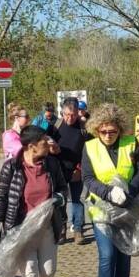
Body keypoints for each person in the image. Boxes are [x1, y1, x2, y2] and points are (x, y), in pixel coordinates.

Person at [0, 125, 68, 277]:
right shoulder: (11, 167)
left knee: (48, 270)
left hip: (47, 225)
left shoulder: (51, 164)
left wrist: (61, 198)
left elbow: (62, 186)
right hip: (21, 228)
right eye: (44, 141)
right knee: (29, 271)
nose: (48, 143)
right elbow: (1, 197)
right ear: (32, 146)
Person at [81, 104, 139, 277]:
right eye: (103, 132)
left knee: (124, 256)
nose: (108, 136)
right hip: (101, 209)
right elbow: (88, 179)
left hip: (126, 208)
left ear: (120, 129)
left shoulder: (131, 144)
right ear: (96, 130)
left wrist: (130, 192)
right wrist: (110, 193)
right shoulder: (90, 147)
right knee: (107, 256)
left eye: (113, 131)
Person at [57, 96, 91, 244]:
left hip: (77, 170)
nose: (70, 118)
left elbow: (89, 151)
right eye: (67, 115)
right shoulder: (55, 127)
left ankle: (78, 230)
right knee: (61, 201)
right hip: (59, 170)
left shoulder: (84, 129)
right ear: (62, 113)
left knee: (77, 200)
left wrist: (80, 167)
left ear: (78, 113)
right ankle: (62, 230)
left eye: (73, 115)